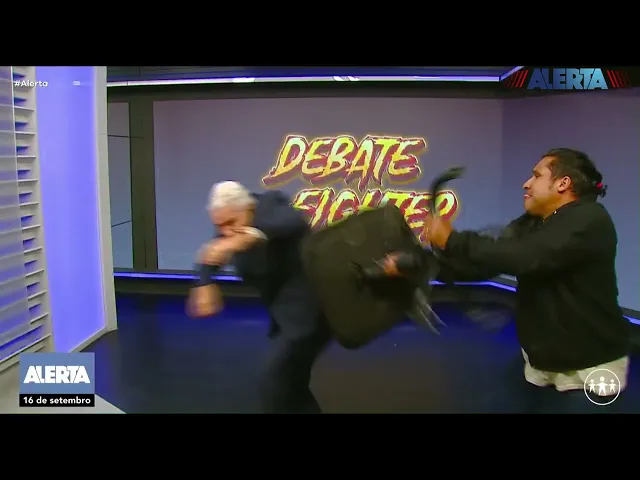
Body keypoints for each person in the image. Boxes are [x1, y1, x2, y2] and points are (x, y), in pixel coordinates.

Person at [424, 148, 631, 413]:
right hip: (541, 364)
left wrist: (453, 240)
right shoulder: (533, 223)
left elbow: (526, 256)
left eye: (536, 176)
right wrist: (422, 268)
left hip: (591, 370)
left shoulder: (590, 219)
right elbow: (487, 261)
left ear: (563, 183)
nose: (526, 183)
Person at [187, 181, 332, 414]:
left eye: (231, 223)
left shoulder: (271, 205)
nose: (225, 231)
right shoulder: (231, 226)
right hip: (282, 315)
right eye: (219, 225)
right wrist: (204, 282)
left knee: (273, 381)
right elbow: (213, 251)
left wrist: (253, 235)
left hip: (310, 312)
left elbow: (294, 222)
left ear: (248, 208)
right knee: (292, 386)